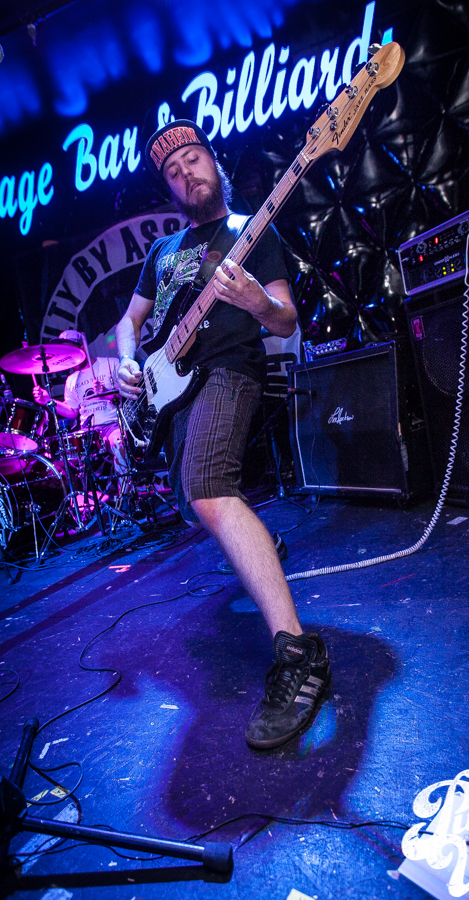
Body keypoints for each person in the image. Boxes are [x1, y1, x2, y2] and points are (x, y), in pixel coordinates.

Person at [115, 119, 330, 750]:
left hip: (230, 369)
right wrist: (127, 360)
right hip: (171, 386)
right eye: (172, 171)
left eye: (192, 158)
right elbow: (130, 323)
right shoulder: (163, 252)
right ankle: (262, 544)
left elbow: (285, 318)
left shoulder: (251, 231)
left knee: (208, 488)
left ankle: (300, 654)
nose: (185, 173)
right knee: (195, 501)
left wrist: (258, 302)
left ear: (215, 163)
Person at [32, 330, 128, 485]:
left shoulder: (111, 364)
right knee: (64, 461)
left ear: (82, 347)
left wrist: (105, 393)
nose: (66, 355)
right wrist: (48, 400)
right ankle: (86, 497)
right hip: (88, 431)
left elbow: (125, 396)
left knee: (119, 443)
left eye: (69, 349)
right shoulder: (71, 380)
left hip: (112, 424)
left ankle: (125, 494)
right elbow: (72, 412)